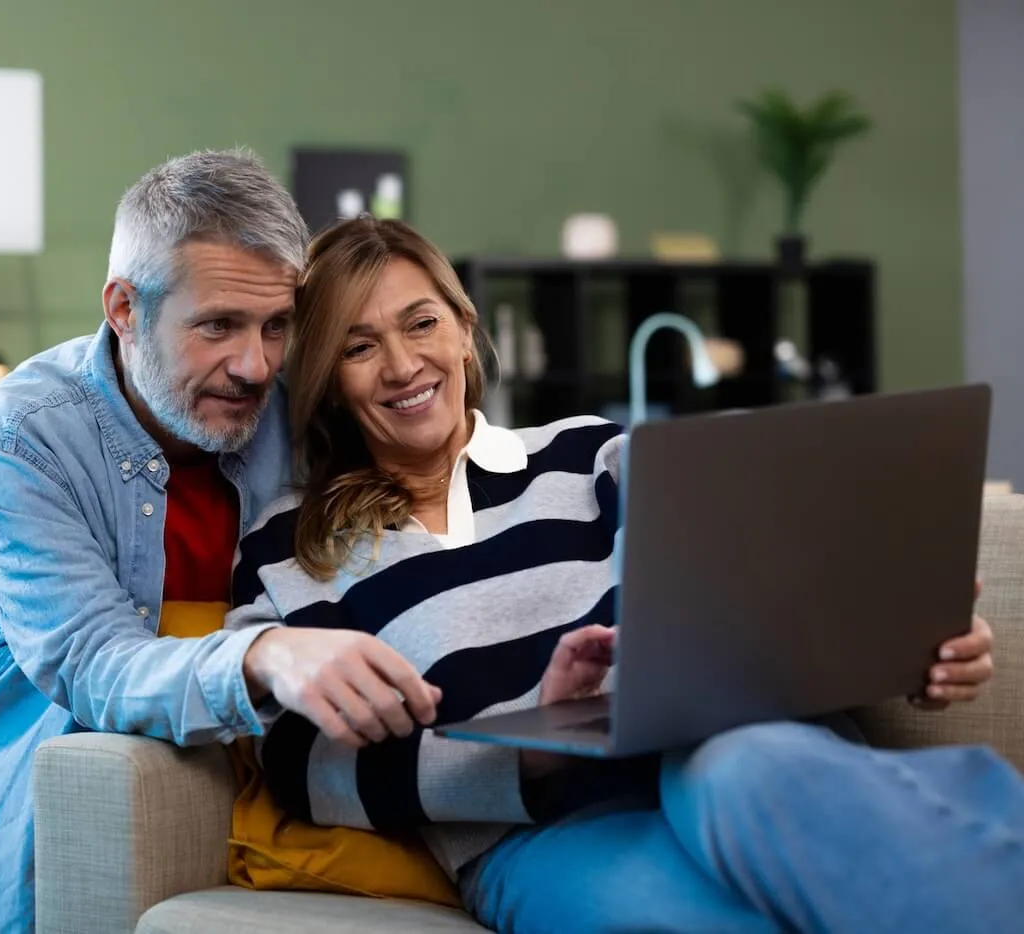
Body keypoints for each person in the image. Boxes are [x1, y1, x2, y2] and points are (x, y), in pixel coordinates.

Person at [225, 215, 1021, 933]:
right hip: (539, 836)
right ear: (328, 379)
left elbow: (778, 599)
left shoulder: (598, 456)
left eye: (421, 323)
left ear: (465, 330)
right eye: (359, 347)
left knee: (747, 769)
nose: (402, 365)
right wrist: (533, 754)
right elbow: (300, 766)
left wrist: (907, 638)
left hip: (720, 752)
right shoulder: (291, 548)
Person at [0, 151, 443, 934]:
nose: (253, 366)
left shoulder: (290, 400)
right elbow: (89, 660)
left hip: (213, 782)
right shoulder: (16, 438)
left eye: (276, 325)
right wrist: (266, 654)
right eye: (217, 325)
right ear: (123, 309)